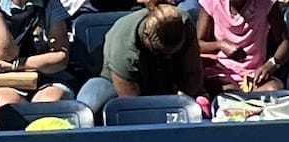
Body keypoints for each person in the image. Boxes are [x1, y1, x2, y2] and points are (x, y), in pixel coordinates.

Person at [76, 0, 205, 119]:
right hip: (115, 81)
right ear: (146, 37)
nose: (168, 56)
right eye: (161, 52)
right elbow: (132, 104)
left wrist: (184, 100)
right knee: (89, 105)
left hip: (168, 79)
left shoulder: (185, 23)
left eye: (174, 52)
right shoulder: (124, 42)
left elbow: (193, 72)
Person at [0, 0, 73, 104]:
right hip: (4, 79)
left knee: (48, 103)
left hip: (46, 76)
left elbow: (60, 58)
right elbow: (6, 54)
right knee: (7, 105)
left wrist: (14, 65)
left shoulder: (50, 4)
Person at [197, 0, 289, 95]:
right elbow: (198, 44)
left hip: (255, 76)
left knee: (275, 88)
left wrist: (271, 64)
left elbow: (285, 42)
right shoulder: (212, 2)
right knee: (224, 89)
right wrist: (220, 45)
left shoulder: (266, 3)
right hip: (222, 73)